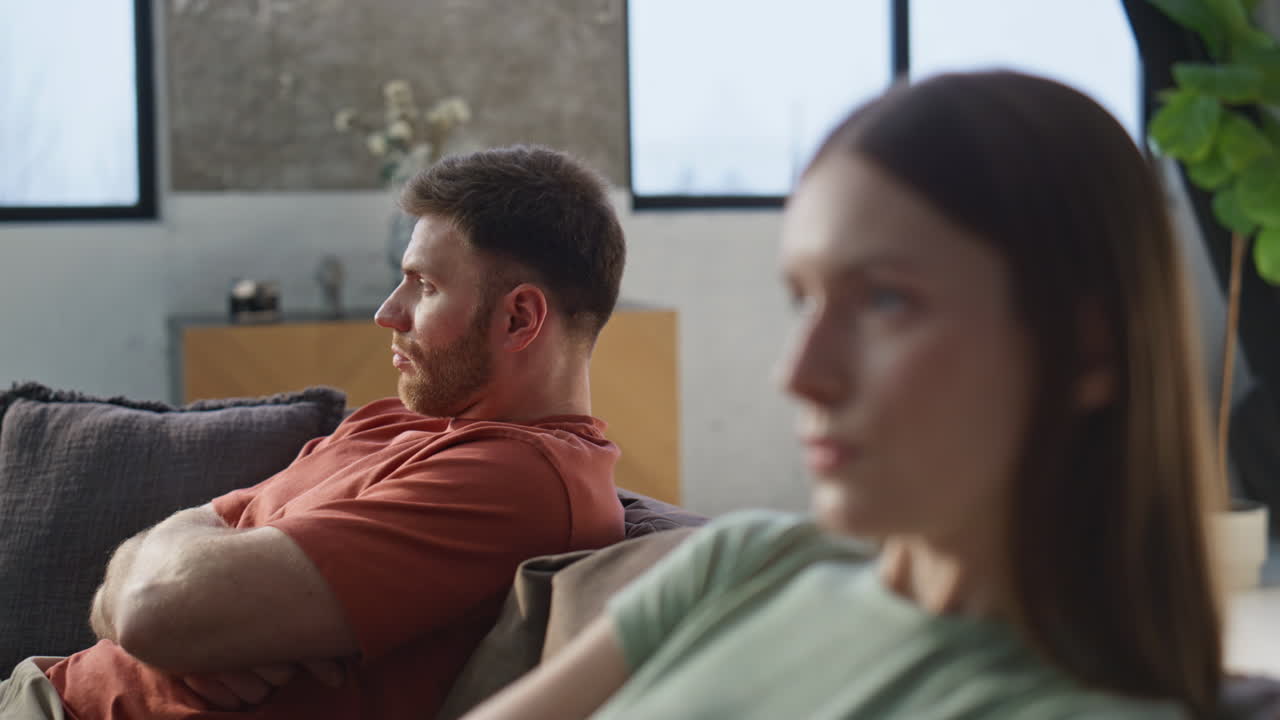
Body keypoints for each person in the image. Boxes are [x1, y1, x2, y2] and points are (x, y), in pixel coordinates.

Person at [463, 72, 1222, 719]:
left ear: (1087, 349)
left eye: (887, 300)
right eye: (805, 299)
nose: (799, 374)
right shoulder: (746, 565)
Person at [0, 145, 629, 719]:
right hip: (38, 687)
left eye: (425, 286)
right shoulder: (392, 422)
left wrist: (162, 582)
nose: (387, 312)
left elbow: (150, 606)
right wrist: (150, 594)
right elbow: (145, 598)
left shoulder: (519, 481)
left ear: (519, 317)